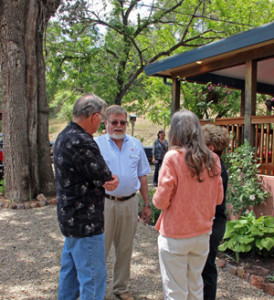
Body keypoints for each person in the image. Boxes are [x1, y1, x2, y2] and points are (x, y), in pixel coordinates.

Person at [53, 94, 119, 300]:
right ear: (94, 116)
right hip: (85, 224)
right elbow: (105, 176)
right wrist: (112, 179)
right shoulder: (82, 141)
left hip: (70, 220)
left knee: (69, 277)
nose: (101, 123)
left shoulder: (63, 135)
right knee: (92, 279)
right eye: (102, 118)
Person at [152, 110, 223, 300]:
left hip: (176, 235)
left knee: (176, 291)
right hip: (202, 234)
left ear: (174, 132)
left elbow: (160, 202)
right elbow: (219, 199)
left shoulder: (173, 157)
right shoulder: (213, 158)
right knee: (195, 286)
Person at [95, 105, 151, 300]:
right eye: (114, 122)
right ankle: (96, 291)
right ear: (106, 123)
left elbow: (143, 175)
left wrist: (146, 203)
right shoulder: (96, 144)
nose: (118, 126)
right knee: (100, 248)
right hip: (104, 204)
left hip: (129, 203)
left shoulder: (136, 144)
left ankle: (121, 287)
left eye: (122, 122)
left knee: (125, 247)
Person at [201, 124, 230, 300]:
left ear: (210, 148)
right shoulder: (216, 165)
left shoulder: (215, 170)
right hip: (216, 222)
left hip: (212, 223)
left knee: (206, 269)